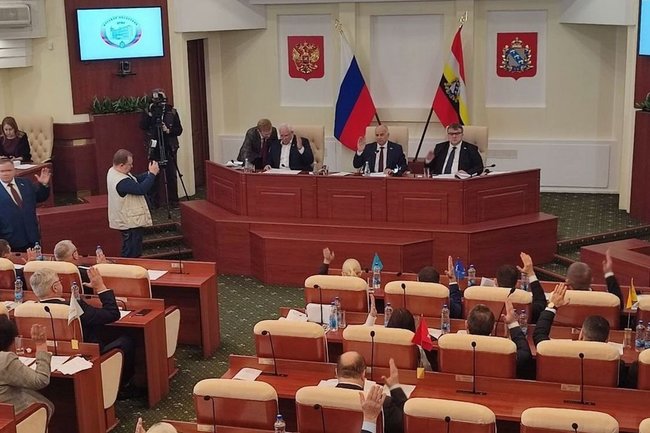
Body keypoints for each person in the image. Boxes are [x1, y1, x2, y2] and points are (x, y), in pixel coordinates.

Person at [30, 266, 137, 396]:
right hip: (86, 355)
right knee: (126, 340)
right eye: (59, 281)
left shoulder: (30, 309)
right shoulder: (74, 307)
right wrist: (100, 286)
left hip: (49, 354)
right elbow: (113, 314)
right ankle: (122, 388)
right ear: (55, 288)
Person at [533, 283, 634, 387]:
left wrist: (552, 306)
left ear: (581, 335)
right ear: (607, 339)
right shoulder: (618, 365)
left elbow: (539, 335)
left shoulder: (556, 351)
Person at [336, 351, 407, 433]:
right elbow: (407, 422)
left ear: (336, 372)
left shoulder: (323, 397)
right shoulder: (381, 403)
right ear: (363, 374)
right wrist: (395, 387)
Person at [107, 149, 159, 258]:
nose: (132, 166)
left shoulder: (113, 171)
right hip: (129, 223)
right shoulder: (121, 181)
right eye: (129, 164)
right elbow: (141, 189)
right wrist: (152, 175)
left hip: (128, 220)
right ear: (121, 165)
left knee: (131, 248)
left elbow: (136, 179)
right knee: (131, 252)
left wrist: (149, 173)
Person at [0, 316, 53, 419]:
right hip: (12, 419)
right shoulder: (4, 360)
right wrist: (41, 344)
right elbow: (41, 380)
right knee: (47, 405)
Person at [465, 300, 532, 378]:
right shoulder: (503, 350)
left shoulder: (454, 344)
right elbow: (525, 356)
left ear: (466, 325)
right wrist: (512, 323)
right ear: (493, 328)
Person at [139, 88, 183, 208]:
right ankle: (154, 202)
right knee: (154, 174)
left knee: (171, 175)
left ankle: (174, 201)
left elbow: (179, 130)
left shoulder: (171, 111)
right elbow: (142, 126)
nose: (159, 104)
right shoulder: (149, 111)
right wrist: (150, 115)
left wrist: (168, 130)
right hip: (154, 147)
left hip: (169, 146)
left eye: (161, 101)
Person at [0, 158, 51, 251]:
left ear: (14, 170)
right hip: (10, 241)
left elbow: (40, 197)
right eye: (2, 171)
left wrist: (43, 185)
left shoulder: (25, 183)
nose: (5, 173)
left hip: (32, 238)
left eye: (8, 170)